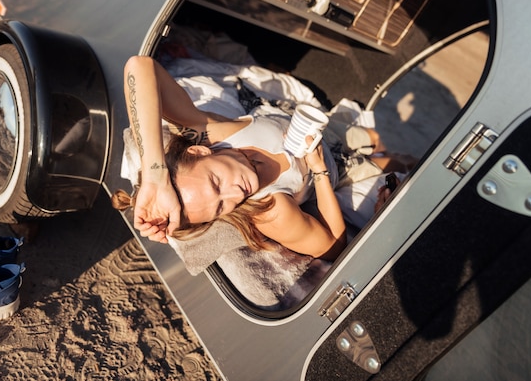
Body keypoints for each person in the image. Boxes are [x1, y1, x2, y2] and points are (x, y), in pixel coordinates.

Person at [113, 55, 408, 261]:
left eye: (216, 182)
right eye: (220, 207)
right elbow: (331, 246)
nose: (234, 193)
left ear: (199, 151)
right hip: (338, 169)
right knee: (401, 165)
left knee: (376, 137)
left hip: (321, 129)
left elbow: (140, 67)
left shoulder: (211, 133)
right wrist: (319, 173)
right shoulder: (268, 209)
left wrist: (154, 176)